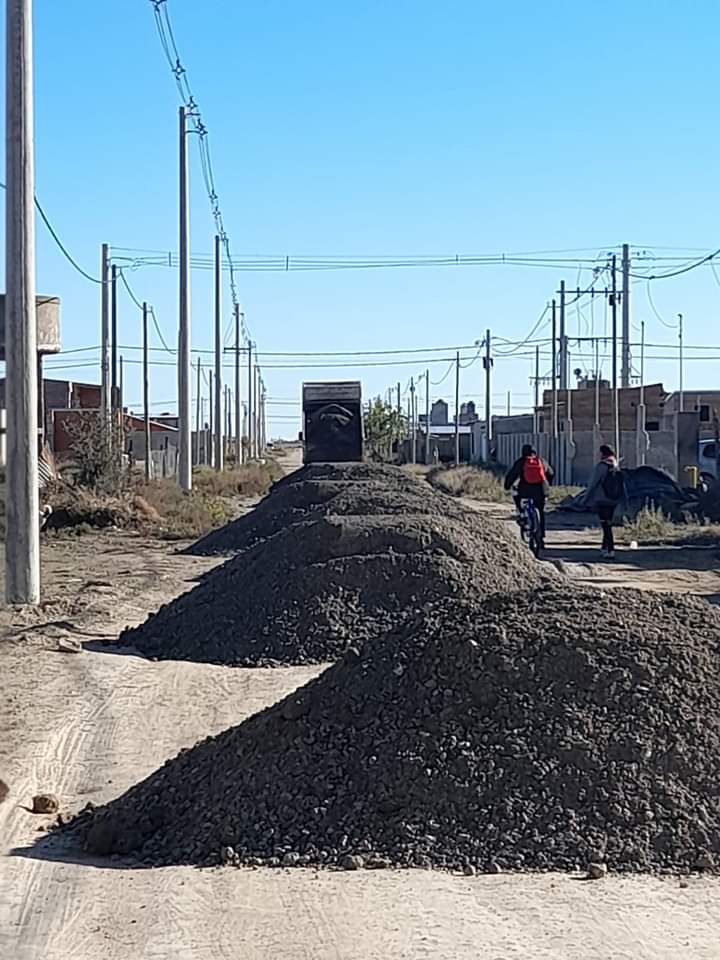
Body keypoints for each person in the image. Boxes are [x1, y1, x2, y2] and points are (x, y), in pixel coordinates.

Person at [503, 444, 554, 546]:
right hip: (540, 490)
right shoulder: (541, 461)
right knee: (540, 511)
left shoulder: (521, 462)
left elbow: (512, 475)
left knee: (516, 495)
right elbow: (551, 473)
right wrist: (548, 484)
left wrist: (507, 486)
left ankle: (522, 515)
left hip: (525, 490)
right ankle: (541, 537)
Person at [581, 444, 624, 559]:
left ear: (603, 454)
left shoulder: (601, 466)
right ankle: (605, 548)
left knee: (606, 526)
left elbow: (593, 484)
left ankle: (610, 550)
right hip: (613, 500)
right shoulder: (616, 465)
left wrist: (585, 500)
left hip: (602, 499)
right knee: (607, 523)